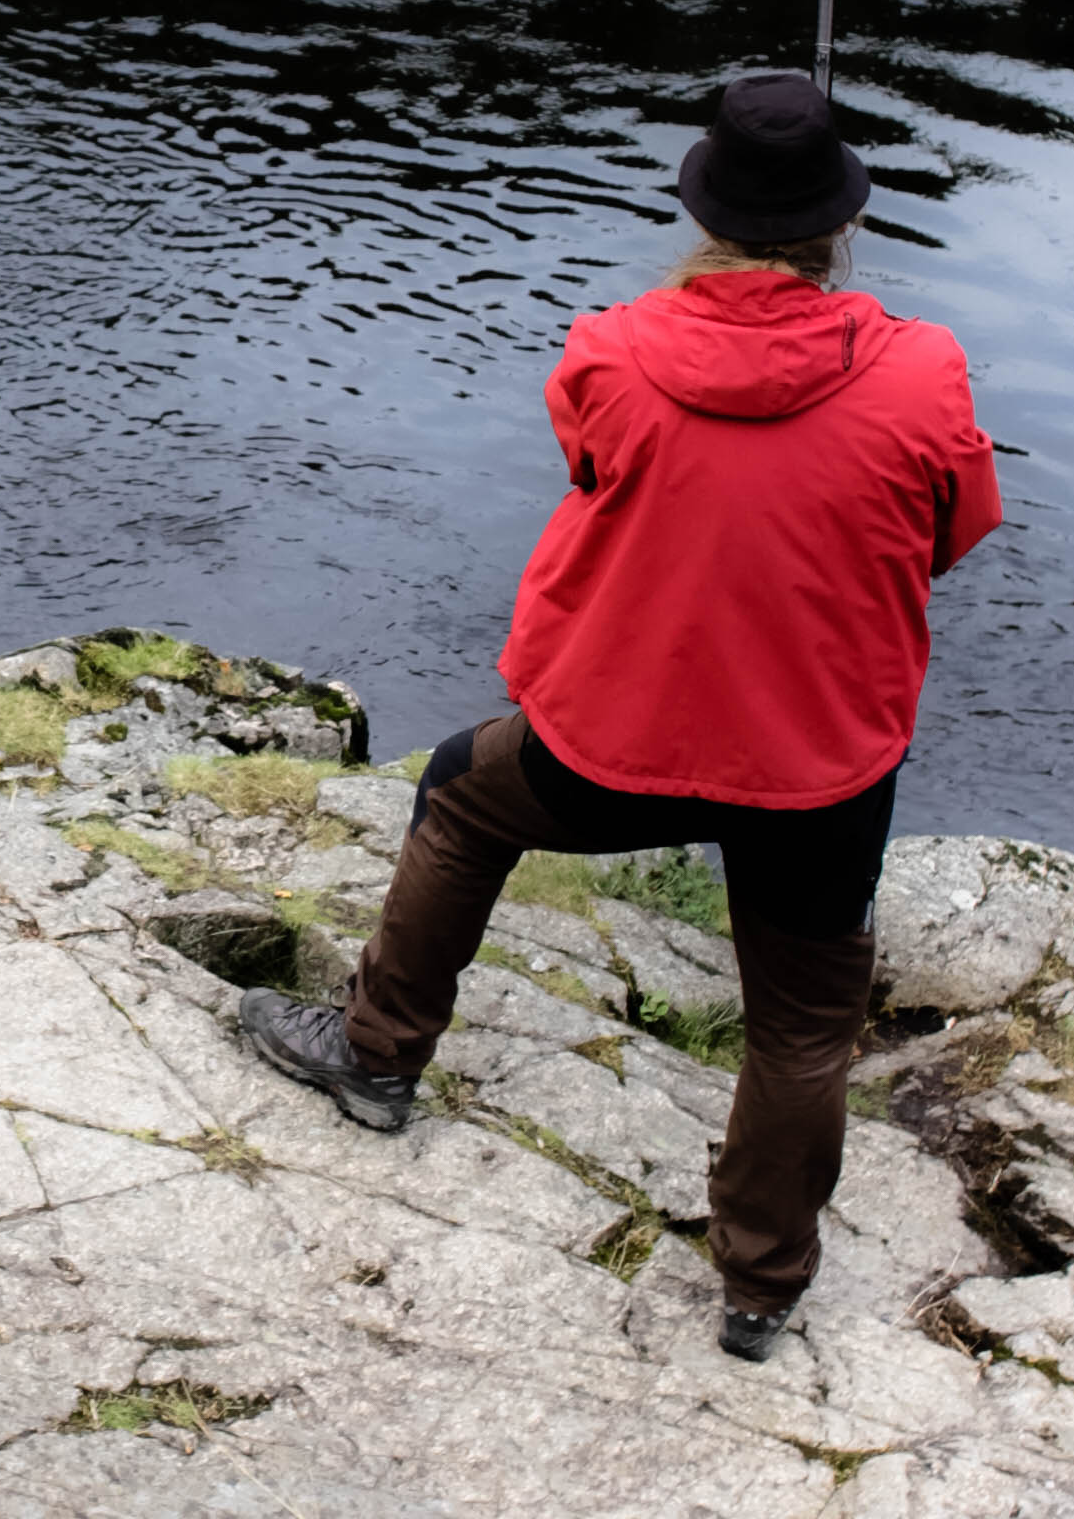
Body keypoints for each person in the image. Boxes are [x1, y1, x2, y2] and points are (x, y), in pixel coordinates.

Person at [237, 67, 1001, 1361]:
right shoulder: (923, 369)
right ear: (843, 220)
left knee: (462, 795)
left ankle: (376, 1058)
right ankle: (761, 1283)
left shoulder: (613, 349)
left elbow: (599, 468)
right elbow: (953, 531)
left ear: (703, 211)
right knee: (802, 1023)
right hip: (820, 766)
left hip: (618, 744)